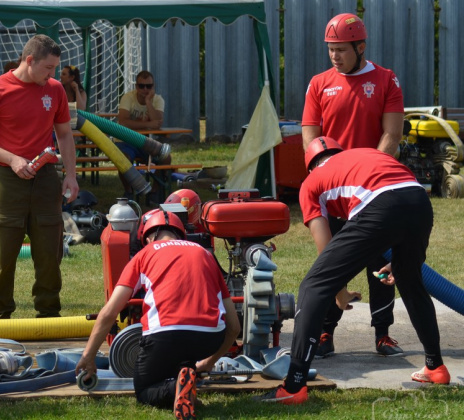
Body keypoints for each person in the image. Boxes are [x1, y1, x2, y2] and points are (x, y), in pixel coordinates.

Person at [257, 137, 449, 405]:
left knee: (313, 286)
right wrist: (402, 261)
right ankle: (435, 367)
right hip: (418, 200)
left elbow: (325, 249)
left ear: (310, 166)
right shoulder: (364, 153)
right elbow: (401, 199)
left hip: (380, 204)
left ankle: (294, 386)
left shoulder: (312, 182)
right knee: (411, 283)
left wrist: (339, 292)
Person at [300, 13, 405, 358]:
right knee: (333, 260)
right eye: (330, 49)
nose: (334, 56)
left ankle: (383, 334)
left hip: (373, 190)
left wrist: (370, 173)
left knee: (381, 262)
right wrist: (327, 172)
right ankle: (326, 332)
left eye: (341, 49)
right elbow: (310, 134)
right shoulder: (318, 83)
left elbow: (392, 133)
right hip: (333, 190)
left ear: (361, 47)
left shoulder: (386, 79)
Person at [76, 209, 240, 419]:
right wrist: (209, 361)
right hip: (209, 337)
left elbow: (109, 313)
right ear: (181, 234)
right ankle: (186, 382)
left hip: (165, 335)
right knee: (183, 358)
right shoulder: (205, 254)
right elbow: (234, 327)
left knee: (145, 390)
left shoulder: (145, 254)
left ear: (149, 237)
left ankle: (174, 390)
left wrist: (88, 356)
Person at [0, 34, 79, 319]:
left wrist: (70, 175)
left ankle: (49, 313)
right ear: (29, 61)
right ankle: (0, 316)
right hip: (6, 179)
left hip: (45, 180)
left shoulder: (54, 90)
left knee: (49, 254)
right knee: (3, 255)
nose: (53, 75)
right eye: (48, 68)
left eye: (55, 68)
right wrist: (13, 159)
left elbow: (64, 134)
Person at [116, 70, 171, 202]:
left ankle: (154, 191)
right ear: (136, 86)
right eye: (141, 86)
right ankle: (129, 192)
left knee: (166, 158)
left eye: (149, 86)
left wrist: (148, 102)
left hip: (146, 142)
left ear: (153, 87)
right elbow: (123, 122)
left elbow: (157, 122)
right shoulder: (128, 97)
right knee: (123, 159)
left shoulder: (157, 100)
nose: (145, 89)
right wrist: (147, 124)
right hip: (126, 140)